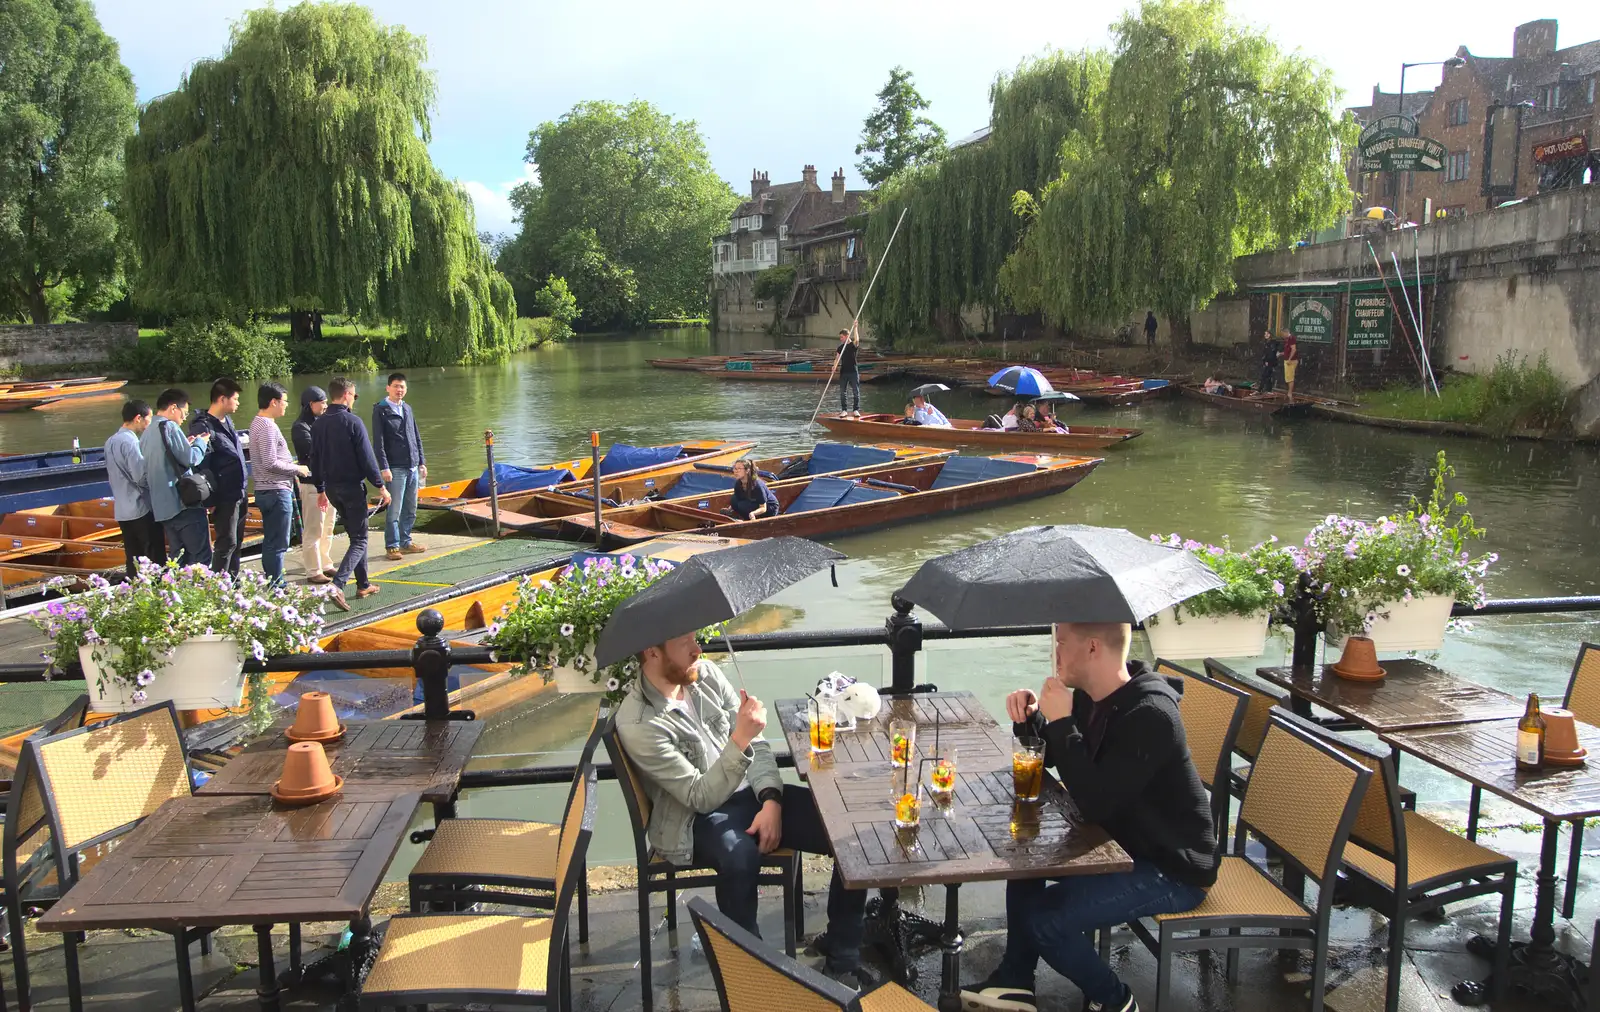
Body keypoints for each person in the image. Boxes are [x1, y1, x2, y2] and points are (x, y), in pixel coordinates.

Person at [961, 623, 1216, 1012]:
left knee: (1047, 920)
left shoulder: (1152, 714)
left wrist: (1062, 723)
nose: (1055, 652)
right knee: (1025, 863)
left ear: (1093, 648)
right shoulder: (1091, 698)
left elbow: (1096, 801)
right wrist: (1033, 720)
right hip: (1118, 844)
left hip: (1171, 868)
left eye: (1061, 642)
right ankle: (1015, 980)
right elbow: (1061, 761)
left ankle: (1116, 1001)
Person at [614, 632, 871, 987]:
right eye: (685, 643)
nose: (697, 649)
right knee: (739, 857)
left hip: (751, 793)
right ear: (652, 651)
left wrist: (770, 800)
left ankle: (842, 957)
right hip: (694, 817)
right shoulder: (640, 723)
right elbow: (699, 796)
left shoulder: (704, 675)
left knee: (848, 830)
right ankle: (752, 973)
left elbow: (759, 746)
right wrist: (741, 738)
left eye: (696, 638)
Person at [310, 377, 391, 611]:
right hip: (352, 488)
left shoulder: (318, 424)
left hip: (333, 489)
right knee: (360, 539)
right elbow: (367, 458)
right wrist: (381, 487)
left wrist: (320, 489)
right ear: (346, 395)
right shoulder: (352, 422)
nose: (354, 400)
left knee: (357, 533)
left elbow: (314, 459)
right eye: (354, 396)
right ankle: (337, 584)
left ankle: (363, 584)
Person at [249, 383, 311, 588]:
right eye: (284, 401)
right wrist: (297, 469)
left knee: (272, 540)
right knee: (278, 542)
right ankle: (277, 585)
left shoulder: (258, 423)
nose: (286, 405)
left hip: (266, 489)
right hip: (275, 490)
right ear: (273, 402)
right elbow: (270, 462)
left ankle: (274, 582)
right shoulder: (266, 426)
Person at [142, 388, 211, 567]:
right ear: (173, 408)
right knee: (200, 557)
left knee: (178, 559)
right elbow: (191, 458)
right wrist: (200, 443)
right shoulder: (169, 426)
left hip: (162, 507)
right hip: (181, 504)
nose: (184, 419)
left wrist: (185, 445)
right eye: (184, 413)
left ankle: (177, 594)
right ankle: (204, 593)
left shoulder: (147, 432)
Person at [189, 378, 248, 576]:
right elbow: (201, 465)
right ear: (222, 399)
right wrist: (210, 499)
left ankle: (233, 580)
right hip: (223, 495)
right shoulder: (203, 427)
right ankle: (219, 585)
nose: (238, 403)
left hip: (239, 489)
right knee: (227, 541)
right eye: (236, 399)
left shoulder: (227, 421)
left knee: (237, 540)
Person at [105, 400, 165, 577]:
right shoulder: (130, 442)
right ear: (138, 418)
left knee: (133, 558)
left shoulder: (110, 441)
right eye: (149, 419)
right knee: (153, 557)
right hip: (140, 509)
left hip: (122, 510)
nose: (150, 424)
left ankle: (136, 593)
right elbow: (141, 477)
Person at [371, 371, 427, 561]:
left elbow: (416, 436)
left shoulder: (407, 408)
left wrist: (422, 462)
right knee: (394, 509)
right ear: (388, 388)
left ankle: (406, 541)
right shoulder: (381, 409)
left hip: (412, 466)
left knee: (411, 508)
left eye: (402, 386)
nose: (399, 390)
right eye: (395, 386)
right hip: (395, 467)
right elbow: (378, 442)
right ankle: (392, 546)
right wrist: (384, 467)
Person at [292, 387, 336, 584]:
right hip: (311, 484)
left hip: (329, 481)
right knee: (314, 528)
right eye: (322, 402)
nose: (326, 405)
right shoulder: (300, 427)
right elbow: (314, 452)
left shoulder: (323, 422)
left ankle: (326, 563)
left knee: (328, 526)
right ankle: (313, 569)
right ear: (311, 404)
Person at [835, 326, 861, 418]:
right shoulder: (840, 347)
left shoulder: (852, 346)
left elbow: (857, 339)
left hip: (853, 372)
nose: (840, 338)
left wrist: (855, 328)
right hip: (844, 372)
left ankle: (856, 410)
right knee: (843, 392)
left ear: (846, 336)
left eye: (841, 337)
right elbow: (837, 358)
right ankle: (844, 410)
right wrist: (834, 366)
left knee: (855, 391)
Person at [1258, 330, 1282, 395]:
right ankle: (1268, 390)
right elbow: (1265, 353)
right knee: (1268, 376)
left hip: (1271, 362)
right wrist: (1265, 360)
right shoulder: (1266, 342)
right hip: (1268, 361)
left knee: (1265, 375)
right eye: (1265, 334)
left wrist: (1267, 361)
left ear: (1270, 335)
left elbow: (1271, 353)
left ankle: (1260, 389)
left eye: (1267, 334)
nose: (1265, 335)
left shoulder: (1272, 343)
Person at [1280, 329, 1299, 403]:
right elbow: (1287, 351)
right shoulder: (1287, 340)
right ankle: (1289, 392)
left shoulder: (1291, 338)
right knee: (1288, 377)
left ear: (1286, 333)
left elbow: (1293, 350)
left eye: (1283, 334)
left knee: (1290, 377)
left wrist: (1289, 359)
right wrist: (1280, 354)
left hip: (1291, 361)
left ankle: (1290, 393)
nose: (1282, 336)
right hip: (1287, 360)